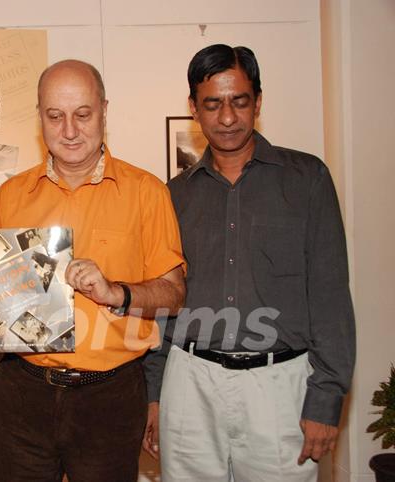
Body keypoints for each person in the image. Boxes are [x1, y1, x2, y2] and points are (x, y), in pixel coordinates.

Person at [0, 59, 186, 481]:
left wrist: (117, 293)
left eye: (82, 115)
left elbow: (173, 293)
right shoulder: (11, 195)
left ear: (104, 110)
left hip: (110, 394)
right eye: (55, 116)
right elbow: (4, 305)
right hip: (24, 390)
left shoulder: (147, 192)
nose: (69, 130)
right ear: (40, 117)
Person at [142, 44, 356, 482]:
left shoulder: (307, 179)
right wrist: (155, 395)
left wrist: (326, 398)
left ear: (258, 101)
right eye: (212, 104)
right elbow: (164, 303)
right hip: (190, 383)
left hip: (280, 387)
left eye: (239, 101)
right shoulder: (174, 195)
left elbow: (332, 297)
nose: (226, 117)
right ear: (193, 109)